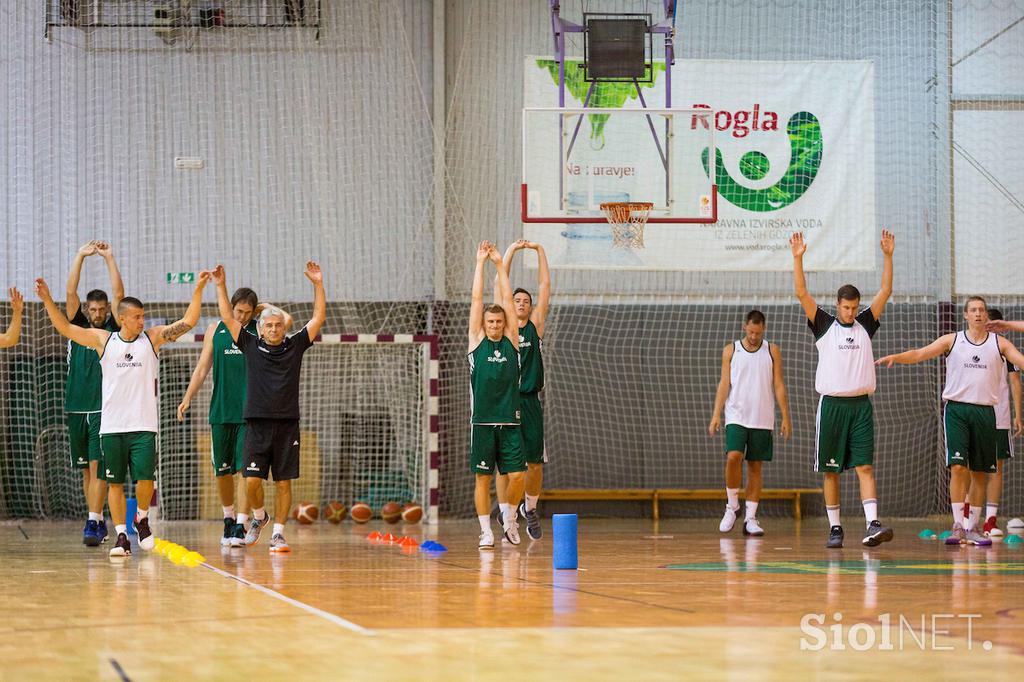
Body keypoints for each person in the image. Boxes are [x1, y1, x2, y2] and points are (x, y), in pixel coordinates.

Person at [36, 274, 209, 557]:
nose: (143, 321)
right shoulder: (103, 340)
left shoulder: (152, 339)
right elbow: (66, 328)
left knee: (145, 481)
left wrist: (199, 290)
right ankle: (121, 537)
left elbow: (187, 322)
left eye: (143, 317)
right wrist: (45, 300)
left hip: (143, 426)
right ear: (123, 318)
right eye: (138, 317)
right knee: (114, 483)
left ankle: (141, 518)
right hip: (112, 426)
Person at [877, 297, 1024, 546]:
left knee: (980, 473)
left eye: (982, 310)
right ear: (965, 315)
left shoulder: (1000, 343)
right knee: (958, 467)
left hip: (986, 412)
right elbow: (920, 353)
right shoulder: (952, 340)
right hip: (956, 410)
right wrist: (897, 357)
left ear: (987, 316)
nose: (978, 314)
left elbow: (1021, 363)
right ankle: (958, 525)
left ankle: (974, 526)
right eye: (973, 310)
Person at [791, 229, 895, 549]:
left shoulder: (865, 323)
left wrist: (888, 256)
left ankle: (872, 523)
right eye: (847, 307)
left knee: (865, 466)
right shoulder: (824, 325)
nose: (851, 312)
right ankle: (835, 528)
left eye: (855, 307)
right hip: (833, 406)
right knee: (831, 471)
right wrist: (798, 258)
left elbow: (886, 290)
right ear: (838, 305)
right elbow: (801, 293)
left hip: (861, 405)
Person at [213, 263, 325, 554]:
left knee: (284, 484)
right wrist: (220, 285)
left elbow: (318, 317)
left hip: (287, 425)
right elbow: (227, 315)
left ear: (283, 327)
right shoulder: (250, 345)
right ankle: (259, 516)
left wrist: (318, 285)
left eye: (278, 324)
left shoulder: (296, 345)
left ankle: (278, 534)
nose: (274, 328)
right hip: (256, 425)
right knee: (251, 482)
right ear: (260, 329)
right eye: (268, 325)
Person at [178, 288, 292, 547]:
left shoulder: (259, 330)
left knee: (244, 471)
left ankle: (241, 524)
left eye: (247, 312)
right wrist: (187, 398)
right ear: (230, 308)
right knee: (222, 471)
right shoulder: (215, 330)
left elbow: (287, 322)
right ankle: (229, 518)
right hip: (221, 410)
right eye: (238, 311)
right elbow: (202, 368)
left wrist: (266, 306)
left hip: (250, 413)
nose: (241, 317)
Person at [709, 310, 792, 536]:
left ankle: (751, 518)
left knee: (755, 467)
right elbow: (724, 384)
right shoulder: (731, 350)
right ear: (745, 326)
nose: (754, 336)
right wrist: (716, 414)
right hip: (736, 415)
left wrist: (785, 415)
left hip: (762, 416)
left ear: (763, 329)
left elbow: (779, 385)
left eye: (758, 332)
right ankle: (732, 506)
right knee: (733, 456)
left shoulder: (772, 351)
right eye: (751, 331)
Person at [64, 241, 124, 546]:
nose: (99, 313)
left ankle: (93, 521)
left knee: (98, 466)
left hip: (103, 406)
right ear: (87, 310)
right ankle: (97, 520)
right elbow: (71, 293)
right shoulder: (77, 326)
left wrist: (109, 258)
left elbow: (118, 296)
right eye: (94, 309)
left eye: (102, 310)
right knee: (87, 471)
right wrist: (80, 257)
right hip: (76, 406)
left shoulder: (112, 329)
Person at [469, 241, 526, 549]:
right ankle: (485, 531)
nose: (493, 325)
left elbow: (505, 297)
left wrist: (500, 265)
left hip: (510, 422)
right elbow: (478, 299)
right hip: (482, 423)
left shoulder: (511, 342)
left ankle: (511, 518)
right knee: (482, 480)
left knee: (517, 476)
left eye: (498, 322)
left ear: (505, 324)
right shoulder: (476, 341)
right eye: (490, 322)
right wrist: (480, 263)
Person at [492, 240, 550, 541]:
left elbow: (544, 285)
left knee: (534, 464)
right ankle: (507, 513)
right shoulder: (505, 328)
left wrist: (539, 251)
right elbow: (498, 290)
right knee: (506, 465)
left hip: (529, 401)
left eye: (526, 300)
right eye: (516, 300)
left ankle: (531, 509)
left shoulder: (535, 326)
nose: (522, 303)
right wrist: (511, 252)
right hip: (505, 402)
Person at [979, 309, 1024, 536]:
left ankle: (990, 520)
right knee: (968, 469)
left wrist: (1018, 414)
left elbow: (1015, 381)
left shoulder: (1005, 348)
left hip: (999, 415)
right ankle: (966, 521)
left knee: (995, 468)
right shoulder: (963, 345)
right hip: (972, 415)